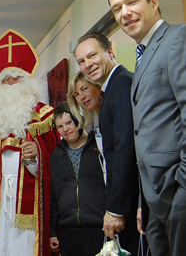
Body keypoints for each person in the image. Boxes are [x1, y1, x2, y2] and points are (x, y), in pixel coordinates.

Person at [107, 0, 186, 256]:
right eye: (117, 8)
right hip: (154, 200)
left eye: (131, 2)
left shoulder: (179, 38)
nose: (124, 13)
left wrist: (182, 194)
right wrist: (145, 201)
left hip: (177, 195)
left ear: (153, 2)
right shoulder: (142, 56)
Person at [0, 67, 59, 256]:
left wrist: (38, 155)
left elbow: (55, 158)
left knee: (24, 245)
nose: (10, 82)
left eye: (16, 78)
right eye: (5, 79)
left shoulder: (44, 116)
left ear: (27, 83)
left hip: (28, 197)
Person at [74, 32, 139, 255]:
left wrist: (116, 208)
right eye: (81, 61)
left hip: (132, 202)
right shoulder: (111, 89)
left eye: (92, 56)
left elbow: (125, 149)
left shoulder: (122, 84)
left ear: (109, 51)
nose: (87, 64)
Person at [49, 102, 106, 256]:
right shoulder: (56, 155)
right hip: (68, 233)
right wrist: (52, 231)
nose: (66, 129)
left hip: (99, 229)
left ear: (79, 120)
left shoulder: (99, 146)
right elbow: (54, 195)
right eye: (60, 126)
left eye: (69, 123)